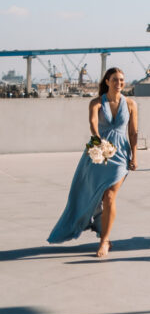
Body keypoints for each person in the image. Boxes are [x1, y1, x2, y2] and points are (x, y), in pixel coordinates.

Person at [47, 68, 139, 258]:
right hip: (99, 152)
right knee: (93, 197)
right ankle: (101, 229)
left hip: (121, 154)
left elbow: (133, 132)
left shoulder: (131, 104)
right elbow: (93, 123)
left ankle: (104, 241)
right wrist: (99, 142)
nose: (119, 83)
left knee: (110, 196)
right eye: (115, 80)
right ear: (107, 81)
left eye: (121, 80)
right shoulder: (96, 103)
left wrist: (135, 156)